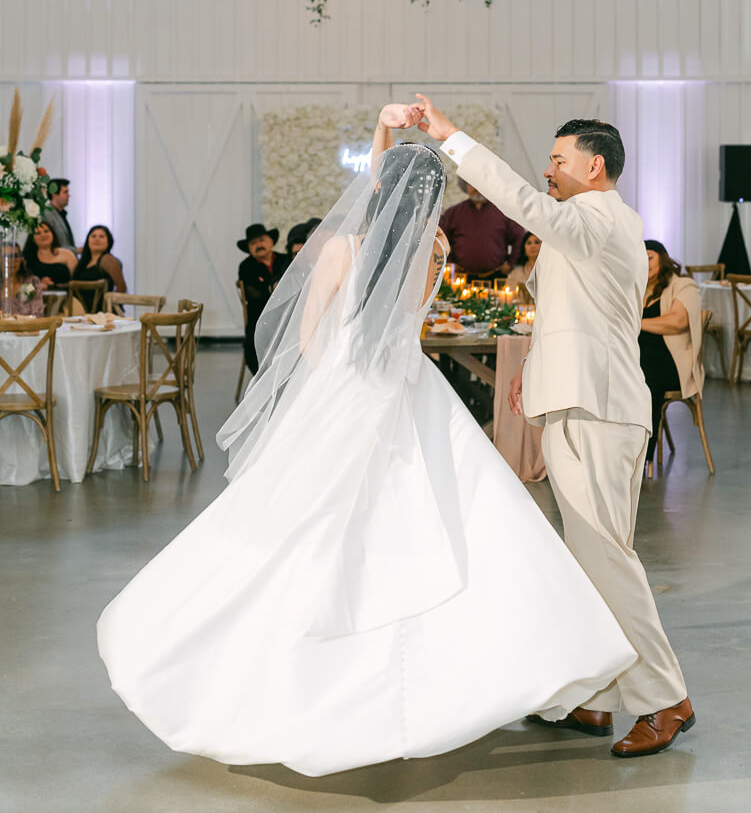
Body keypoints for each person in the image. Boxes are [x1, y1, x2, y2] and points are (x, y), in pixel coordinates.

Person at [96, 102, 635, 778]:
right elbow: (397, 217)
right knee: (452, 530)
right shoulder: (430, 254)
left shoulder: (341, 251)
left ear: (375, 190)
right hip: (408, 394)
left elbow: (307, 340)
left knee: (309, 541)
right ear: (431, 203)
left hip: (345, 395)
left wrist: (329, 395)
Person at [416, 95, 694, 760]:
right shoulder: (602, 224)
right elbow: (582, 314)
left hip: (594, 409)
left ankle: (665, 699)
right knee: (588, 561)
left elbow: (523, 203)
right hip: (591, 399)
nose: (547, 170)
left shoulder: (595, 218)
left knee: (605, 557)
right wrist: (535, 365)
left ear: (594, 168)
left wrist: (452, 138)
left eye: (557, 160)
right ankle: (590, 697)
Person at [639, 239, 704, 470]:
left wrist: (637, 323)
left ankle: (643, 457)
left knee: (644, 378)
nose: (644, 263)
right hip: (639, 361)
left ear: (663, 258)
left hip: (672, 364)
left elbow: (677, 322)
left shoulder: (683, 285)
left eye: (649, 258)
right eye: (639, 258)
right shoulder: (636, 288)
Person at [439, 179, 524, 280]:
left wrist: (511, 263)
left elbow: (519, 236)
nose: (476, 188)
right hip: (460, 277)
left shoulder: (503, 212)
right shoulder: (453, 213)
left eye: (480, 183)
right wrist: (448, 262)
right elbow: (440, 238)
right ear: (467, 186)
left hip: (495, 278)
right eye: (472, 184)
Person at [237, 224, 288, 374]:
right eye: (253, 243)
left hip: (287, 313)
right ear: (249, 249)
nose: (259, 245)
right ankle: (261, 379)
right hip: (260, 316)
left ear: (271, 242)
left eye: (262, 240)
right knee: (252, 341)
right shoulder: (246, 266)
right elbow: (254, 294)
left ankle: (290, 378)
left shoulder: (284, 260)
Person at [22, 222, 77, 288]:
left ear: (52, 233)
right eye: (38, 233)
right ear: (32, 238)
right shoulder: (27, 258)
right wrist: (39, 284)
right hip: (37, 297)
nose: (43, 235)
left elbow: (76, 282)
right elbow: (22, 285)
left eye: (46, 231)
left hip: (66, 295)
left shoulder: (68, 254)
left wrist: (54, 286)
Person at [74, 225, 127, 293]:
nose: (97, 239)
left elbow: (121, 287)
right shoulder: (84, 261)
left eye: (101, 236)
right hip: (76, 302)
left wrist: (113, 303)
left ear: (109, 241)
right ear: (88, 241)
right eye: (93, 236)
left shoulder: (107, 259)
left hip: (98, 303)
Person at [0, 244, 45, 316]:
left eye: (15, 256)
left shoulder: (30, 282)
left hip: (26, 326)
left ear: (21, 259)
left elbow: (37, 314)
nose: (11, 260)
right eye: (6, 256)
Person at [43, 178, 76, 251]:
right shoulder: (46, 214)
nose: (68, 195)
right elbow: (51, 245)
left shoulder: (61, 213)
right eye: (65, 192)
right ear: (54, 194)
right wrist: (76, 250)